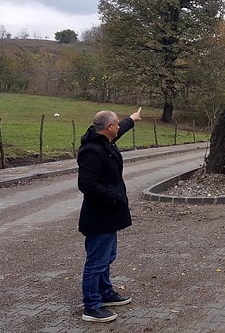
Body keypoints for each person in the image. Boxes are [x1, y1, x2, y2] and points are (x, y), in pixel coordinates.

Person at [77, 108, 142, 322]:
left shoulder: (105, 140)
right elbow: (86, 184)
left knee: (107, 257)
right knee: (96, 261)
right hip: (99, 216)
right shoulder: (92, 151)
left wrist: (131, 119)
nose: (118, 127)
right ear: (108, 127)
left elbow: (121, 128)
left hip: (109, 215)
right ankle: (92, 306)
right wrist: (114, 195)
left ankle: (105, 293)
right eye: (116, 124)